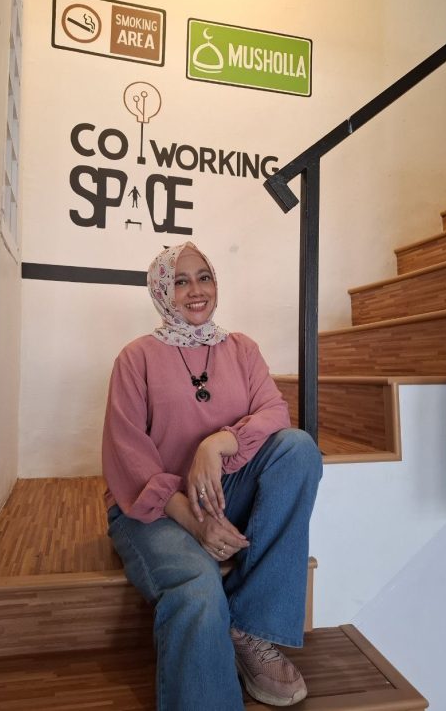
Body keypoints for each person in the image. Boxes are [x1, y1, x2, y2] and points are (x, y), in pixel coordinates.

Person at [102, 241, 322, 709]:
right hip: (154, 507)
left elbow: (274, 412)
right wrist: (193, 518)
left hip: (223, 491)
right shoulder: (135, 358)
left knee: (298, 449)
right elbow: (127, 457)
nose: (196, 291)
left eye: (204, 277)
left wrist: (218, 442)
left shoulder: (241, 349)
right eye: (180, 281)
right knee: (199, 588)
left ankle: (249, 626)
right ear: (162, 291)